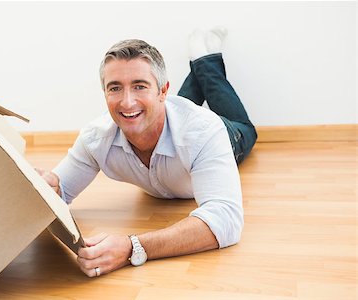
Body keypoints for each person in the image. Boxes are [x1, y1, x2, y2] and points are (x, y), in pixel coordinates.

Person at [37, 27, 257, 278]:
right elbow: (59, 190)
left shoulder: (204, 132)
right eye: (115, 88)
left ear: (164, 91)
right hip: (168, 115)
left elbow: (225, 221)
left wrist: (134, 247)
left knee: (247, 128)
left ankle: (204, 59)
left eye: (139, 86)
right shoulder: (96, 138)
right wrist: (48, 190)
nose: (126, 101)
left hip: (230, 135)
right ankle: (199, 62)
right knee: (147, 109)